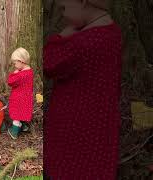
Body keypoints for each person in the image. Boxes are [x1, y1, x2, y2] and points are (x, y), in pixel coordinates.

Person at [43, 0, 122, 179]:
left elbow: (48, 64)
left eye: (64, 7)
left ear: (83, 2)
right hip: (101, 122)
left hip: (75, 126)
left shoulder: (83, 43)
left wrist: (62, 36)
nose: (62, 13)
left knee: (71, 169)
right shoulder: (113, 33)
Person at [7, 47, 34, 139]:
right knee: (21, 113)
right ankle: (23, 127)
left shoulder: (20, 75)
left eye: (15, 63)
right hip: (26, 97)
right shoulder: (30, 71)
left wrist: (14, 73)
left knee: (16, 116)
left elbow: (10, 82)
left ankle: (14, 132)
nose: (14, 65)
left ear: (21, 61)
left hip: (18, 98)